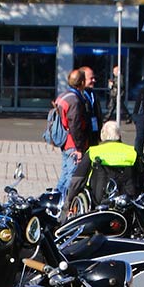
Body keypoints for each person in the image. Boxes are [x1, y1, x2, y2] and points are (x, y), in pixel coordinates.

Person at [63, 120, 144, 214]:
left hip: (98, 199)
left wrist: (69, 201)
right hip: (128, 199)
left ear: (102, 136)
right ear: (119, 135)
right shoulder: (132, 152)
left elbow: (77, 181)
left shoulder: (93, 152)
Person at [53, 68, 91, 197]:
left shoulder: (63, 96)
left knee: (64, 174)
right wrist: (79, 148)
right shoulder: (74, 100)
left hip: (65, 141)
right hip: (73, 144)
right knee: (71, 176)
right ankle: (65, 203)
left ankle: (57, 198)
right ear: (81, 82)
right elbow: (75, 124)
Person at [80, 67, 100, 146]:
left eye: (94, 78)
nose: (94, 81)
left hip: (93, 134)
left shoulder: (93, 93)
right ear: (83, 80)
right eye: (91, 78)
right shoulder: (78, 96)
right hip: (83, 136)